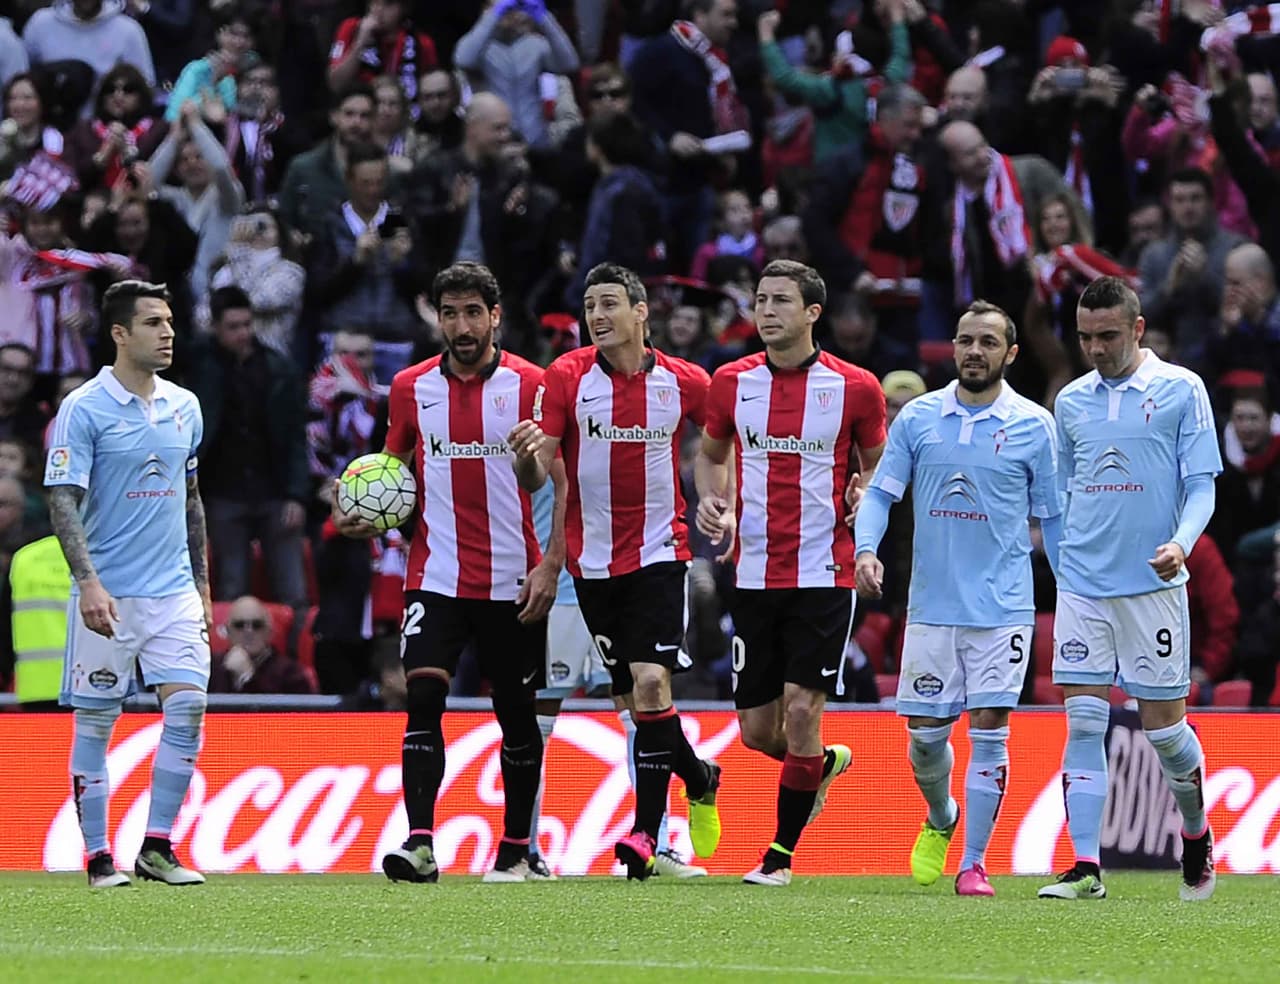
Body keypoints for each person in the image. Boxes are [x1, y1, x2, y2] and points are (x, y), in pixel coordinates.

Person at [333, 261, 558, 883]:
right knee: (423, 695)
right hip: (436, 571)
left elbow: (548, 480)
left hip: (514, 574)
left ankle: (515, 848)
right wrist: (359, 504)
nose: (461, 325)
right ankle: (421, 843)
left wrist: (533, 479)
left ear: (495, 316)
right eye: (450, 313)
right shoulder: (410, 387)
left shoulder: (532, 385)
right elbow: (392, 468)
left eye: (472, 313)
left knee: (515, 712)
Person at [508, 262, 723, 881]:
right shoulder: (567, 377)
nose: (597, 316)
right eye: (589, 306)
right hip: (592, 564)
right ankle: (701, 777)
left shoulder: (685, 381)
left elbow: (717, 443)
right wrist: (526, 460)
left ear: (640, 311)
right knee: (634, 700)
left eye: (608, 304)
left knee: (653, 688)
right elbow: (540, 471)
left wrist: (718, 497)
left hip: (661, 554)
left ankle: (645, 837)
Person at [854, 300, 1063, 896]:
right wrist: (866, 549)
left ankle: (974, 862)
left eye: (988, 343)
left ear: (1011, 353)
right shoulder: (919, 417)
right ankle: (941, 815)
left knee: (990, 726)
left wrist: (1076, 588)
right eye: (966, 340)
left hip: (1004, 607)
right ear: (953, 345)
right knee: (925, 740)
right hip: (933, 606)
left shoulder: (1033, 425)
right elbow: (879, 494)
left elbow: (1054, 517)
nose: (975, 351)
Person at [695, 259, 886, 886]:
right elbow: (713, 454)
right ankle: (821, 764)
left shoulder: (856, 388)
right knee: (757, 732)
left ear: (812, 313)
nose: (766, 310)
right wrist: (713, 498)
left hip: (823, 573)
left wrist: (866, 495)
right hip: (751, 573)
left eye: (781, 300)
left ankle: (778, 856)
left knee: (804, 710)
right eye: (760, 299)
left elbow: (878, 467)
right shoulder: (730, 382)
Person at [1041, 275, 1222, 902]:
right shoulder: (1071, 402)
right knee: (1084, 721)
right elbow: (1062, 491)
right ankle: (1086, 867)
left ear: (1137, 329)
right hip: (1085, 584)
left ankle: (1195, 831)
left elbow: (1202, 484)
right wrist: (1064, 561)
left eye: (1108, 336)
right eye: (1086, 337)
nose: (1095, 348)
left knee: (1164, 733)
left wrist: (1182, 543)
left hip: (1151, 583)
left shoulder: (1180, 389)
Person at [43, 280, 211, 889]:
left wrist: (203, 587)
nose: (168, 333)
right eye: (153, 324)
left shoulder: (184, 405)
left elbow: (191, 500)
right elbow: (63, 499)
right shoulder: (83, 407)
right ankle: (96, 856)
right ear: (119, 333)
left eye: (169, 322)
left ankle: (158, 847)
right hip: (109, 593)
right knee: (96, 723)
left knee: (188, 707)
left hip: (173, 592)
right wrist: (87, 583)